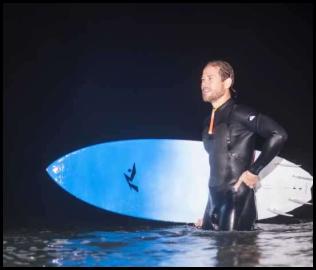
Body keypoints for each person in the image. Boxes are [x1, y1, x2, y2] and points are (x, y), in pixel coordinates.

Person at [195, 60, 288, 231]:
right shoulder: (208, 122)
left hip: (237, 200)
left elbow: (279, 134)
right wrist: (207, 212)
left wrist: (254, 171)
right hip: (212, 204)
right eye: (202, 79)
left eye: (210, 78)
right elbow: (217, 167)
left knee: (234, 255)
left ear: (227, 82)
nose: (203, 84)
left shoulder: (240, 113)